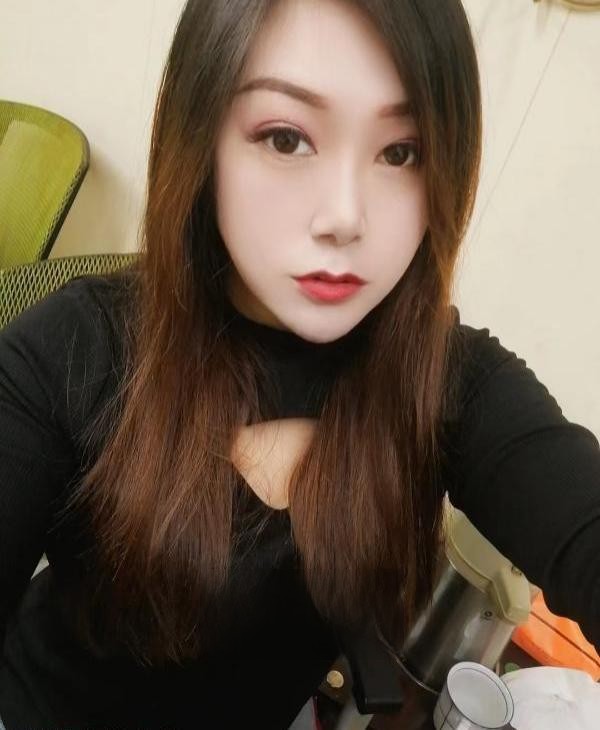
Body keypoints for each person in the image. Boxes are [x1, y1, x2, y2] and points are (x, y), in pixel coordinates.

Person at [0, 0, 598, 728]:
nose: (345, 216)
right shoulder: (72, 351)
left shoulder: (447, 381)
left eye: (401, 152)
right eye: (285, 138)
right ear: (203, 140)